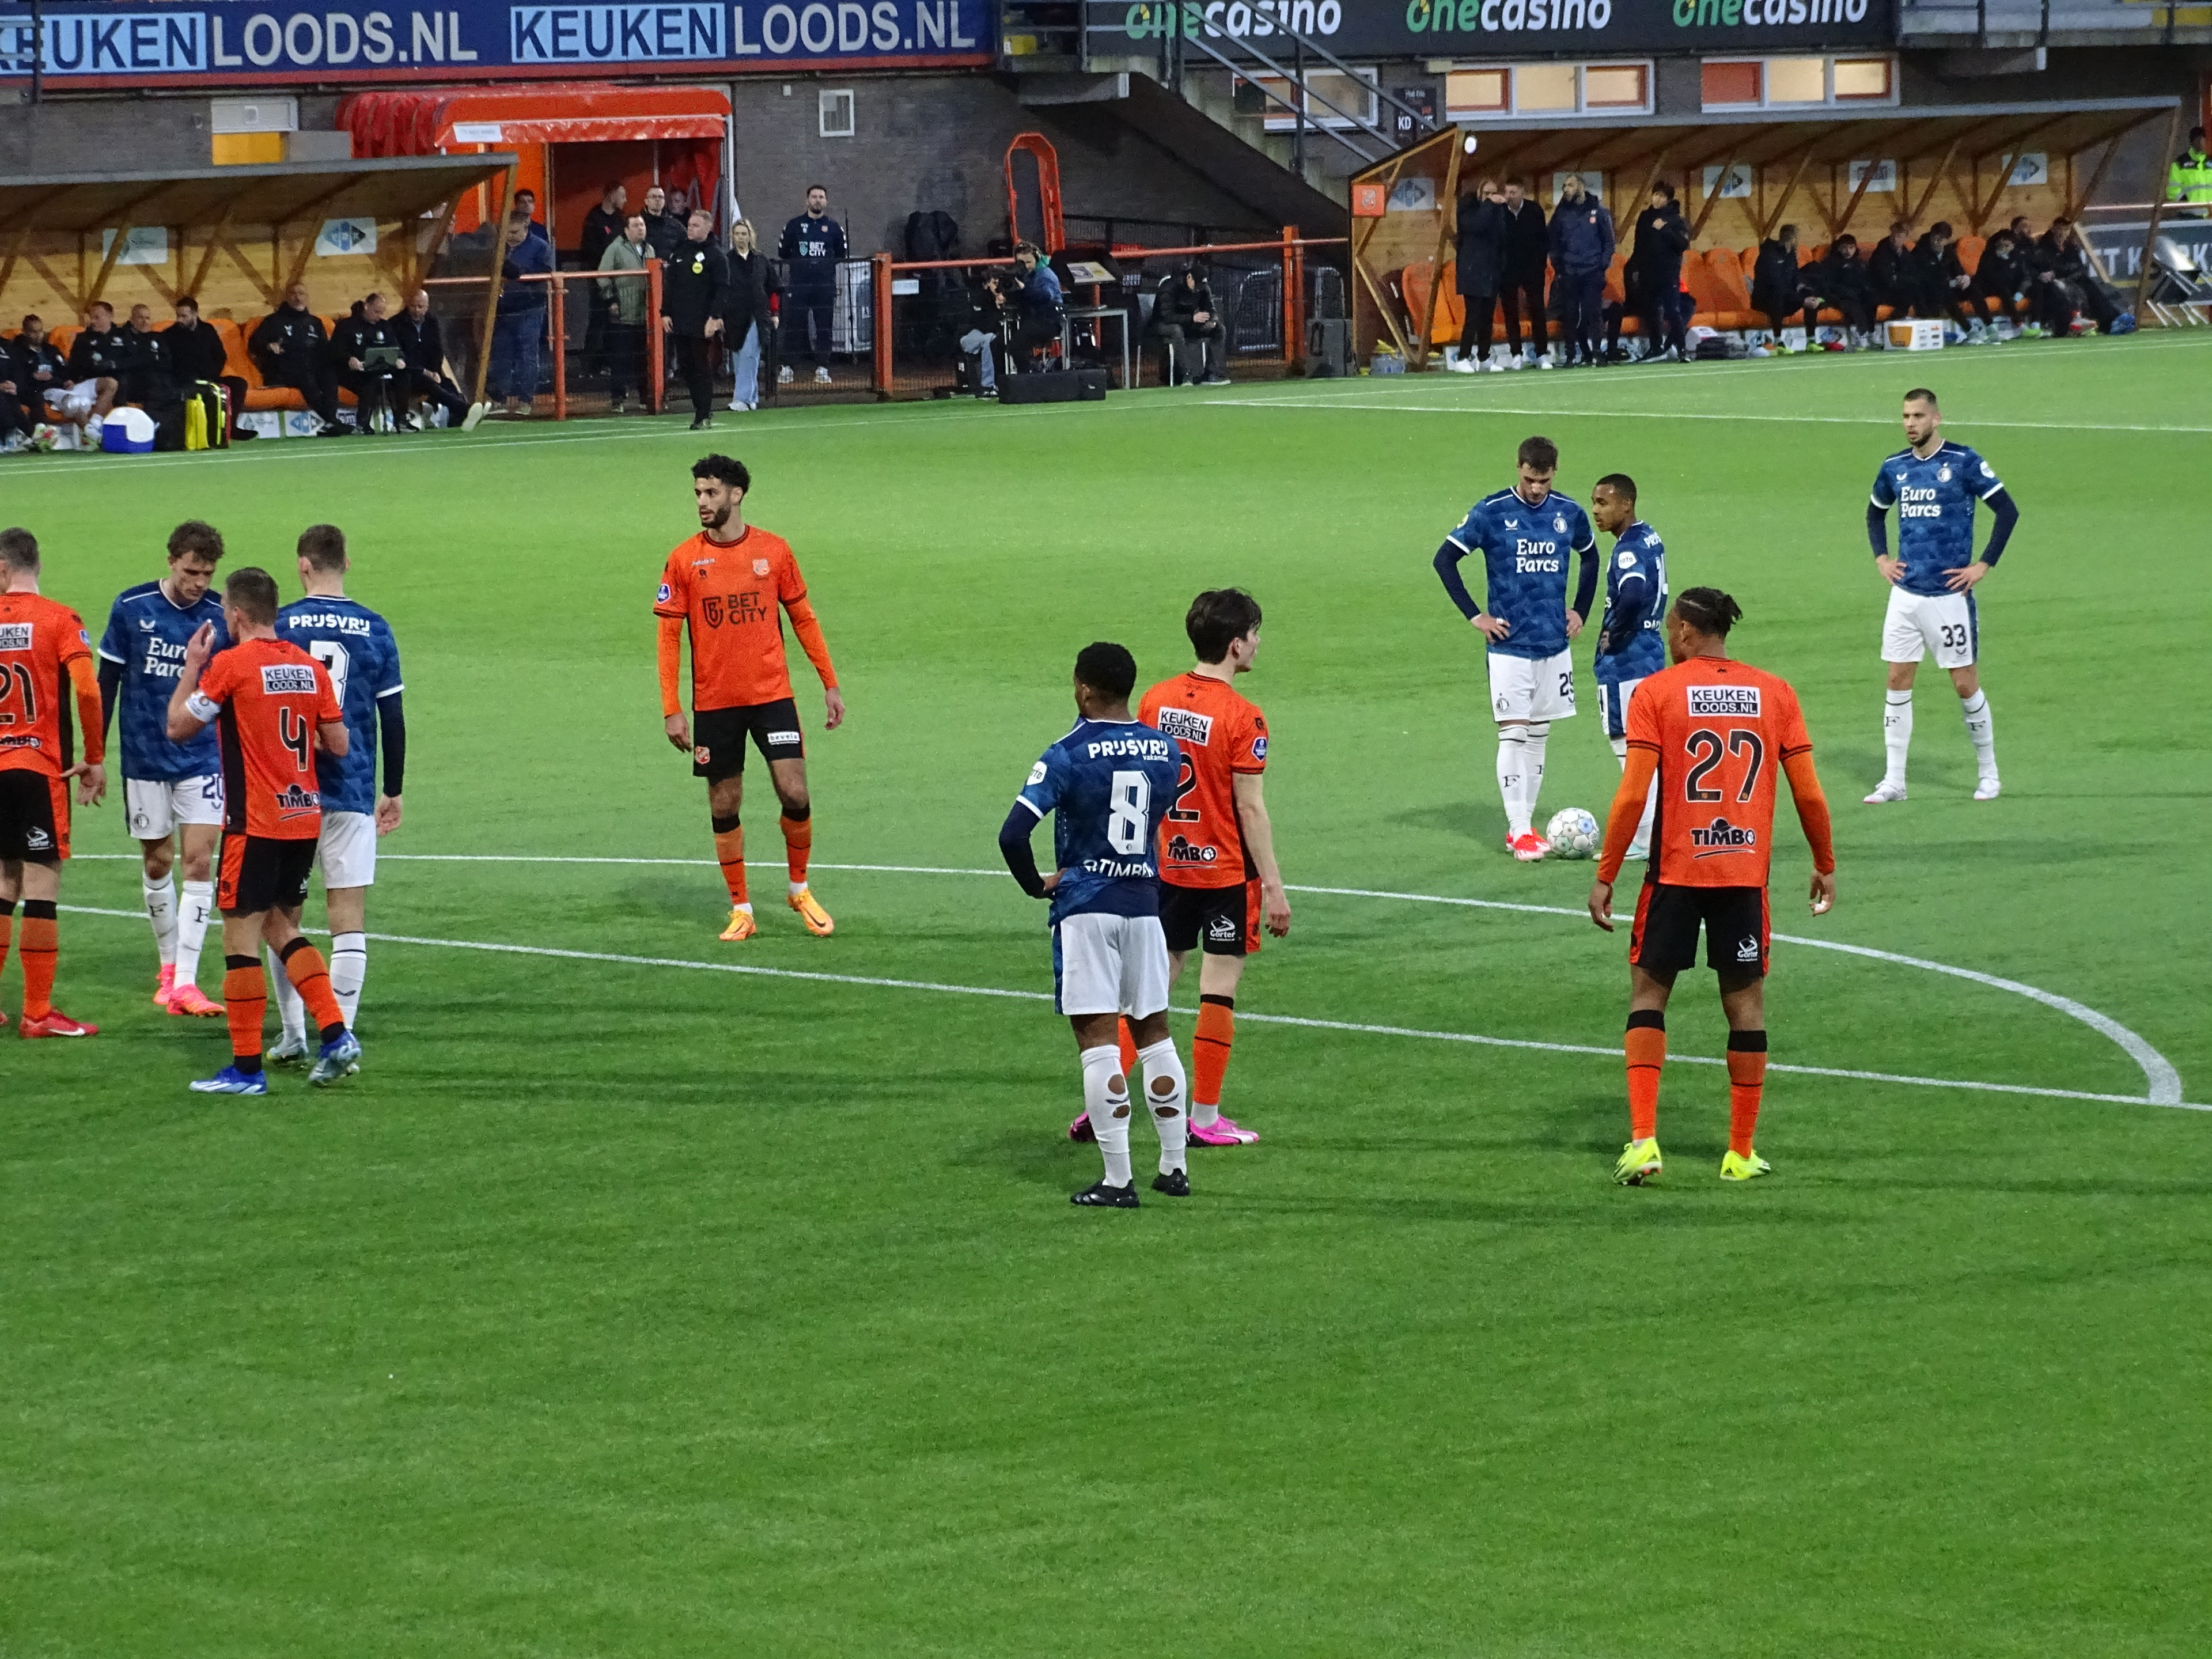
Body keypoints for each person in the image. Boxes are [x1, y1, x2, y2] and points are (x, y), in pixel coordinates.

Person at [1586, 587, 1837, 1187]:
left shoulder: (1658, 692)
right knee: (1745, 1008)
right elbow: (1807, 791)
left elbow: (1632, 793)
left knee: (1649, 997)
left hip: (1675, 871)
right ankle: (1740, 1153)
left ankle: (1645, 1142)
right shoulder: (1775, 692)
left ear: (1687, 632)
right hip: (1743, 877)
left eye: (1673, 628)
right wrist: (1824, 860)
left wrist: (1606, 871)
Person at [1096, 588, 1291, 1147]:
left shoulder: (1156, 700)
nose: (1257, 643)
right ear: (1235, 646)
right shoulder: (1243, 716)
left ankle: (1104, 1100)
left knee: (1151, 987)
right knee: (1218, 989)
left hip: (1165, 868)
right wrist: (1274, 888)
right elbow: (1250, 808)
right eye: (1254, 635)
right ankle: (1204, 1118)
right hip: (1225, 872)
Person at [998, 640, 1191, 1208]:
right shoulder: (1166, 751)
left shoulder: (1066, 753)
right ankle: (1175, 1168)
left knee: (1098, 1042)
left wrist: (1037, 884)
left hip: (1087, 909)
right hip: (1145, 907)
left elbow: (1013, 834)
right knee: (1155, 1032)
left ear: (1084, 688)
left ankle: (1117, 1180)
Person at [165, 567, 358, 1093]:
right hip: (303, 820)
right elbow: (338, 743)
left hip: (254, 825)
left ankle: (247, 1070)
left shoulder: (230, 665)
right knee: (281, 927)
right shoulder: (308, 666)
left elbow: (179, 726)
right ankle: (337, 1033)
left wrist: (193, 667)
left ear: (238, 615)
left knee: (240, 941)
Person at [654, 455, 843, 940]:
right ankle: (741, 908)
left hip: (771, 696)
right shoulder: (683, 560)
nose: (702, 502)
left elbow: (803, 618)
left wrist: (829, 682)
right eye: (697, 493)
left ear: (736, 494)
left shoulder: (774, 552)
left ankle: (799, 889)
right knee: (724, 803)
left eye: (711, 493)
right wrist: (671, 709)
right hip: (715, 703)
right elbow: (668, 638)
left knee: (794, 791)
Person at [267, 525, 404, 1065]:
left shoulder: (281, 626)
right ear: (346, 561)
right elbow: (391, 716)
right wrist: (392, 788)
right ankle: (340, 1035)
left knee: (284, 917)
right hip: (353, 786)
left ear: (303, 565)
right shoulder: (375, 628)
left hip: (290, 789)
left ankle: (295, 1032)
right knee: (348, 915)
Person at [1433, 434, 1599, 860]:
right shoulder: (1492, 512)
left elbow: (1591, 556)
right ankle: (1521, 829)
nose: (1537, 488)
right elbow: (1444, 560)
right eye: (1530, 479)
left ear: (1554, 472)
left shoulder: (1570, 513)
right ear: (1519, 468)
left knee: (1539, 736)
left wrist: (1579, 609)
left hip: (1554, 645)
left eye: (1543, 480)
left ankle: (1522, 827)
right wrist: (1476, 617)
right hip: (1509, 646)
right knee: (1514, 734)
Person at [96, 520, 231, 1016]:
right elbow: (106, 683)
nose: (199, 582)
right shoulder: (132, 609)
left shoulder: (221, 616)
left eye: (208, 573)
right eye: (192, 571)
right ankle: (169, 964)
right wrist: (94, 755)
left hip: (203, 757)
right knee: (158, 862)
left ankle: (187, 982)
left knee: (199, 862)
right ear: (172, 560)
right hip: (145, 758)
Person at [1864, 388, 2018, 804]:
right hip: (1905, 595)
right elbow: (1876, 510)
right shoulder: (1894, 467)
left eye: (1917, 415)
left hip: (1949, 596)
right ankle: (1894, 781)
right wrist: (1882, 557)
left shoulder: (1963, 462)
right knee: (1897, 680)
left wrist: (1983, 564)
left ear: (1936, 419)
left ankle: (1989, 774)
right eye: (1905, 416)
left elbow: (2008, 510)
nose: (1910, 423)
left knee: (1965, 684)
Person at [0, 526, 106, 1039]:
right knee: (42, 884)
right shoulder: (60, 619)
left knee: (3, 881)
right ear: (34, 565)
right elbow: (87, 687)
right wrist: (95, 756)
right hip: (39, 769)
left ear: (3, 570)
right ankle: (37, 1013)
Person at [1589, 475, 1666, 863]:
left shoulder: (1628, 550)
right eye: (1594, 503)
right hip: (1652, 655)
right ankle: (1656, 833)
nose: (1597, 511)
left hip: (1627, 663)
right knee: (1649, 751)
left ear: (1626, 504)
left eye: (1603, 503)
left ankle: (1646, 837)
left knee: (1630, 751)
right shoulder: (1649, 535)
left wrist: (1614, 634)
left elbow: (1633, 593)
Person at [661, 207, 730, 430]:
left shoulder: (716, 256)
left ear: (708, 228)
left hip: (702, 322)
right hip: (680, 321)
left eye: (695, 226)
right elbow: (670, 286)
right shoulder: (680, 252)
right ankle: (699, 409)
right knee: (686, 367)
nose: (690, 229)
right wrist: (665, 313)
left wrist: (715, 317)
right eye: (689, 225)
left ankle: (704, 413)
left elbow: (722, 289)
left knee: (701, 366)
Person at [251, 283, 344, 435]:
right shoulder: (273, 321)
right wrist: (269, 346)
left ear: (307, 298)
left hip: (313, 367)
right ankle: (333, 421)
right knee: (305, 376)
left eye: (302, 294)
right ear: (287, 297)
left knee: (329, 374)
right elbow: (255, 343)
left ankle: (332, 420)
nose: (298, 298)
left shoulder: (315, 322)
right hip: (284, 368)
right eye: (294, 294)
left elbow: (324, 349)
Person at [778, 184, 847, 385]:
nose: (818, 200)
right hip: (799, 285)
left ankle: (823, 368)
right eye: (814, 197)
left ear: (826, 201)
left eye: (821, 197)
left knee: (824, 327)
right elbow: (783, 252)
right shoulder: (794, 225)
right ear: (807, 200)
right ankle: (788, 367)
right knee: (794, 326)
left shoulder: (834, 228)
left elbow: (841, 255)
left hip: (824, 286)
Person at [163, 295, 255, 441]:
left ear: (195, 314)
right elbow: (168, 363)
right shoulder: (170, 335)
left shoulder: (208, 330)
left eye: (184, 316)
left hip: (210, 377)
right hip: (186, 380)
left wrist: (212, 374)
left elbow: (220, 356)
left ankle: (230, 427)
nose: (180, 320)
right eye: (178, 316)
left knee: (239, 384)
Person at [1547, 175, 1614, 368]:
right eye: (1565, 186)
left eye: (1570, 185)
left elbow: (1609, 242)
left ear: (1581, 187)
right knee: (1569, 314)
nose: (1566, 189)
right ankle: (1570, 355)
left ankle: (1597, 353)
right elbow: (1553, 240)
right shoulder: (1561, 213)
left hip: (1592, 271)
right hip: (1568, 271)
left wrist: (1602, 265)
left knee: (1593, 313)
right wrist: (1558, 266)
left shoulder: (1599, 211)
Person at [490, 213, 553, 416]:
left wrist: (517, 272)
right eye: (506, 232)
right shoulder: (499, 248)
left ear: (526, 228)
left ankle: (526, 400)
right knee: (501, 355)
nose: (510, 236)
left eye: (515, 232)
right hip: (503, 310)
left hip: (530, 308)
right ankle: (500, 399)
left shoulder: (541, 247)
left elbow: (544, 275)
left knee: (528, 354)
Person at [1625, 180, 1690, 363]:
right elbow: (1639, 245)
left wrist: (1666, 229)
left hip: (1668, 273)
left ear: (1668, 199)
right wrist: (1635, 268)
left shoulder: (1676, 220)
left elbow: (1682, 245)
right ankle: (1655, 348)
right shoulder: (1645, 217)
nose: (1657, 199)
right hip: (1648, 273)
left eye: (1662, 196)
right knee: (1651, 312)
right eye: (1655, 194)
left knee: (1672, 311)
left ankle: (1682, 350)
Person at [391, 289, 475, 429]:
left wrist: (435, 371)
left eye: (420, 307)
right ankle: (466, 409)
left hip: (429, 372)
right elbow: (399, 356)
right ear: (408, 305)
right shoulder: (396, 324)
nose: (416, 310)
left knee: (447, 384)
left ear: (427, 307)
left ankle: (457, 419)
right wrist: (424, 371)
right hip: (408, 375)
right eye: (413, 306)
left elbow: (437, 350)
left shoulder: (432, 322)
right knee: (431, 385)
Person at [597, 213, 653, 415]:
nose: (641, 229)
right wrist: (611, 299)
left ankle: (645, 397)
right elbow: (602, 275)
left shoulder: (650, 249)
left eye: (643, 225)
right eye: (637, 225)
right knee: (621, 359)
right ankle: (618, 399)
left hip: (645, 315)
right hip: (623, 314)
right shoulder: (615, 248)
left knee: (643, 360)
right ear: (627, 230)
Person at [1449, 177, 1507, 373]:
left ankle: (1484, 357)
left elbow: (1501, 238)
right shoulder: (1468, 210)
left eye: (1493, 193)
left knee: (1487, 318)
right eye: (1487, 194)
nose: (1491, 197)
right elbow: (1477, 226)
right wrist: (1491, 205)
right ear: (1479, 194)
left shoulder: (1495, 213)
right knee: (1473, 317)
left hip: (1491, 271)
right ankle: (1462, 358)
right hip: (1472, 271)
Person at [331, 291, 408, 433]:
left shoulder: (385, 326)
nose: (378, 316)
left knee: (404, 376)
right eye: (376, 311)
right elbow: (336, 350)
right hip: (352, 372)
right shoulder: (346, 326)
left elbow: (396, 348)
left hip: (381, 368)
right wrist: (349, 359)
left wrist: (400, 359)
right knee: (371, 379)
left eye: (381, 313)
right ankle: (362, 424)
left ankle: (401, 422)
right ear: (366, 306)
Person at [1497, 179, 1551, 368]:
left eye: (1513, 192)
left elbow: (1543, 240)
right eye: (1507, 192)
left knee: (1537, 311)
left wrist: (1540, 265)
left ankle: (1542, 353)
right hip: (1508, 270)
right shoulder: (1500, 212)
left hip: (1532, 269)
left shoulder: (1535, 211)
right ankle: (1516, 354)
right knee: (1510, 313)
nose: (1509, 196)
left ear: (1521, 192)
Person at [58, 300, 127, 441]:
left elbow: (132, 361)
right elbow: (74, 365)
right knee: (109, 385)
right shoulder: (83, 339)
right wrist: (71, 380)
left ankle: (92, 432)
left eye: (97, 317)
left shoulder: (124, 336)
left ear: (110, 316)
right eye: (92, 318)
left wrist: (114, 365)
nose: (93, 322)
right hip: (91, 383)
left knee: (118, 383)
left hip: (122, 385)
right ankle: (94, 426)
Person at [578, 180, 627, 378]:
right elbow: (590, 250)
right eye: (622, 195)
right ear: (612, 195)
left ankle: (609, 363)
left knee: (615, 322)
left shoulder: (621, 219)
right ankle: (588, 366)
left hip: (619, 278)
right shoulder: (594, 219)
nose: (625, 200)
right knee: (598, 320)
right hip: (599, 276)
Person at [2037, 218, 2119, 334]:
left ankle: (2112, 320)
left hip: (2072, 279)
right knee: (2066, 289)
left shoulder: (2070, 246)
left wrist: (2069, 271)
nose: (2063, 233)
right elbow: (2050, 268)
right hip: (2055, 282)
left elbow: (2080, 267)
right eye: (2060, 229)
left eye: (2066, 230)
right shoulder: (2044, 246)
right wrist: (2067, 270)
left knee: (2091, 286)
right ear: (2053, 229)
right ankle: (2076, 320)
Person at [1752, 224, 1827, 349]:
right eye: (1796, 238)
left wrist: (1801, 286)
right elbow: (1776, 284)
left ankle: (1811, 340)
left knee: (1809, 293)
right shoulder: (1768, 255)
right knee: (1777, 294)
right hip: (1765, 300)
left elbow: (1795, 273)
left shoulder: (1791, 254)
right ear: (1789, 238)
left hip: (1788, 296)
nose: (1798, 241)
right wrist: (1801, 300)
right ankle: (1778, 340)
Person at [1152, 264, 1229, 385]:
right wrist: (1192, 318)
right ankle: (1186, 376)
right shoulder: (1169, 287)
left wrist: (1212, 320)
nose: (1197, 289)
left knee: (1219, 329)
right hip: (1163, 324)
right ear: (1189, 277)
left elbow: (1211, 309)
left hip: (1189, 323)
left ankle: (1212, 374)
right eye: (1196, 285)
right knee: (1176, 331)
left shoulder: (1203, 288)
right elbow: (1167, 317)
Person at [724, 219, 771, 412]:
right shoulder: (726, 260)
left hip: (757, 314)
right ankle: (752, 397)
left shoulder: (761, 260)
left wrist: (774, 313)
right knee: (738, 355)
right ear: (732, 237)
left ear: (750, 236)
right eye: (737, 234)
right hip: (733, 315)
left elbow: (773, 287)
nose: (741, 238)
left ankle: (741, 398)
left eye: (744, 234)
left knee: (750, 355)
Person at [1912, 222, 1985, 340]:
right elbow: (1926, 279)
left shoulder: (1948, 251)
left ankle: (1989, 326)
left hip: (1947, 286)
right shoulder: (1920, 251)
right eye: (1936, 238)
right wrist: (1950, 283)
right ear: (1931, 236)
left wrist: (1963, 278)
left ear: (1947, 240)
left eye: (1942, 239)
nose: (1938, 242)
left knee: (1973, 288)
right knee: (1946, 293)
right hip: (1927, 292)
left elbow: (1957, 268)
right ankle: (1969, 330)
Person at [1006, 242, 1064, 372]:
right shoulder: (1025, 275)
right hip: (1033, 319)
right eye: (1022, 263)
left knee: (1016, 346)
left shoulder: (1045, 274)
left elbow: (1045, 296)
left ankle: (1029, 376)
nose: (1026, 266)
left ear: (1037, 259)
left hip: (1050, 320)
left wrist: (1023, 288)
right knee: (1004, 343)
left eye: (1029, 262)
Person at [1971, 229, 2035, 333]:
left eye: (2008, 244)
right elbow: (1992, 278)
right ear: (1998, 242)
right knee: (2004, 291)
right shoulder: (1989, 255)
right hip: (1990, 287)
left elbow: (2025, 277)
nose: (2005, 246)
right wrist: (2000, 257)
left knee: (2038, 288)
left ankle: (2037, 324)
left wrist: (2019, 294)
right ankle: (2019, 325)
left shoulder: (2016, 256)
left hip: (2011, 287)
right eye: (2003, 242)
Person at [1819, 234, 1877, 345]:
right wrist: (1845, 292)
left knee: (1872, 299)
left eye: (1851, 248)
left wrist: (1867, 291)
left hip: (1857, 293)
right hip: (1839, 296)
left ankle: (1871, 332)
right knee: (1852, 305)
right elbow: (1829, 284)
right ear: (1840, 248)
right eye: (1845, 248)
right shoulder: (1831, 263)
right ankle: (1862, 333)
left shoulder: (1859, 263)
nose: (1848, 251)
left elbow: (1865, 281)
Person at [1868, 221, 1919, 323]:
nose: (1896, 239)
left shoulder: (1905, 253)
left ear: (1905, 238)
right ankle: (1894, 320)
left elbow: (1913, 275)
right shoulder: (1882, 251)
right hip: (1881, 291)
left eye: (1900, 236)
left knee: (1917, 290)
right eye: (1894, 235)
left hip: (1899, 289)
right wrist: (1902, 279)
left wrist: (1899, 277)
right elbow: (1886, 279)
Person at [2168, 125, 2211, 216]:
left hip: (2210, 218)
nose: (2200, 142)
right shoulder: (2180, 163)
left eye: (2202, 139)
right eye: (2198, 139)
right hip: (2189, 217)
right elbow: (2173, 191)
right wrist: (2185, 206)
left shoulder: (2210, 163)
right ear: (2192, 142)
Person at [640, 184, 685, 262]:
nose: (657, 200)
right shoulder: (638, 224)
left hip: (668, 271)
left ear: (664, 201)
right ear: (646, 201)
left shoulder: (675, 225)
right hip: (644, 269)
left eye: (660, 197)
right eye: (654, 197)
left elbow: (687, 245)